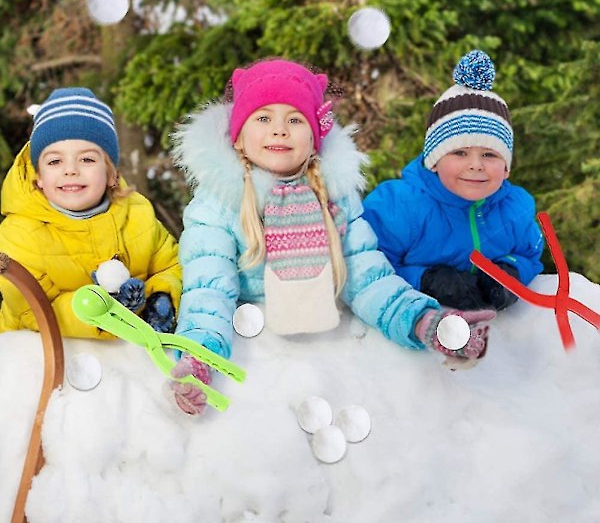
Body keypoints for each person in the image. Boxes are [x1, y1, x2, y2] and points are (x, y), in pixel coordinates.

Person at [169, 58, 496, 416]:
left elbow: (370, 278)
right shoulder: (217, 205)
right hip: (257, 353)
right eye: (263, 118)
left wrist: (425, 321)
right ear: (239, 139)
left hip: (329, 353)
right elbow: (208, 289)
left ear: (314, 139)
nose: (279, 130)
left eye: (294, 120)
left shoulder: (334, 199)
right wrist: (198, 357)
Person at [363, 50, 544, 312]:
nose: (475, 164)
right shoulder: (398, 206)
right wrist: (425, 280)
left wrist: (511, 271)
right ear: (433, 161)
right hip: (410, 331)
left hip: (493, 336)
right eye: (460, 152)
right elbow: (367, 268)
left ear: (506, 168)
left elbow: (530, 254)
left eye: (489, 154)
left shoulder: (515, 208)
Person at [0, 87, 182, 338]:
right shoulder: (19, 235)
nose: (71, 170)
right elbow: (32, 312)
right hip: (42, 354)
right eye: (55, 161)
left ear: (111, 173)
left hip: (128, 356)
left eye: (87, 160)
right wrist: (103, 309)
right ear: (38, 177)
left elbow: (172, 265)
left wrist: (157, 297)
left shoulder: (138, 214)